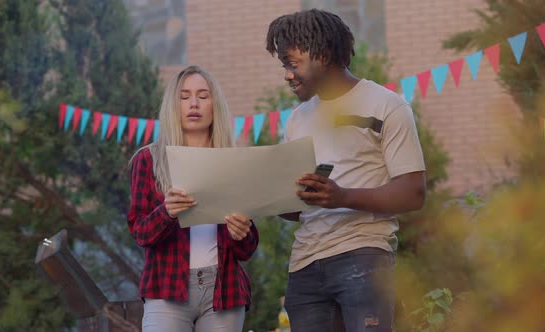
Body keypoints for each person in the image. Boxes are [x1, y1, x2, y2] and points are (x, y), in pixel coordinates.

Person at [266, 9, 426, 332]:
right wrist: (273, 198)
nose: (286, 75)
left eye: (292, 64)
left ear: (322, 56)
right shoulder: (296, 119)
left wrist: (341, 196)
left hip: (363, 257)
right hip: (305, 267)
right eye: (284, 65)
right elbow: (295, 211)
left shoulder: (387, 106)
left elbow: (413, 192)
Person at [127, 65, 259, 332]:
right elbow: (140, 233)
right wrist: (167, 213)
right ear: (172, 106)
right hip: (166, 289)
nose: (194, 104)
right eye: (184, 97)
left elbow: (247, 250)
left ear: (215, 105)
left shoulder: (232, 162)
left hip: (225, 291)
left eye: (203, 95)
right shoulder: (149, 159)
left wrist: (241, 232)